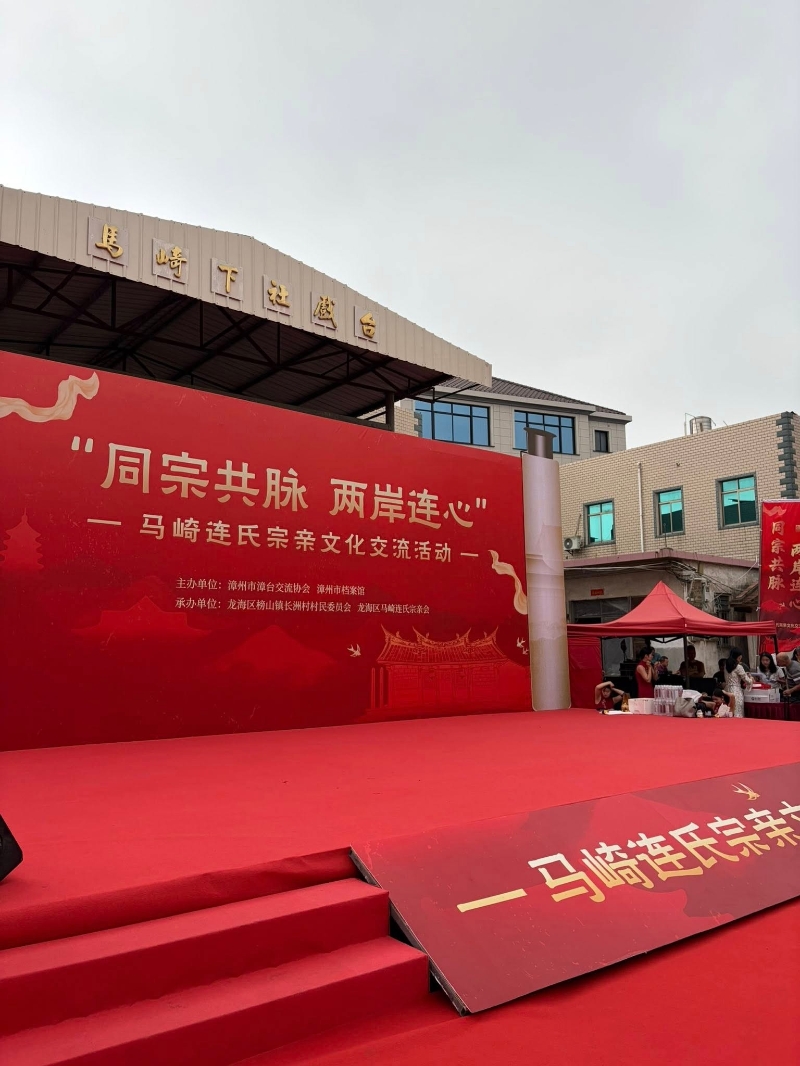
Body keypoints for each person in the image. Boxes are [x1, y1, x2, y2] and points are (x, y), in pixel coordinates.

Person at [722, 647, 751, 718]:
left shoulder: (726, 666)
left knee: (728, 712)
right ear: (739, 657)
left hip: (727, 690)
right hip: (736, 691)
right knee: (737, 712)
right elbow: (747, 681)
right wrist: (751, 678)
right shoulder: (738, 667)